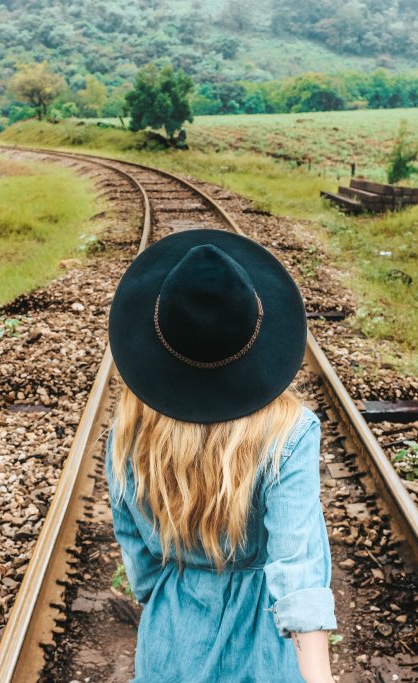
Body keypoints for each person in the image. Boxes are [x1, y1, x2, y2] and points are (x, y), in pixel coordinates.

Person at [106, 229, 337, 683]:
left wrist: (170, 595)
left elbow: (134, 545)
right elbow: (298, 562)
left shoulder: (129, 431)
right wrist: (320, 677)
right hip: (264, 644)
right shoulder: (290, 432)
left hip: (172, 635)